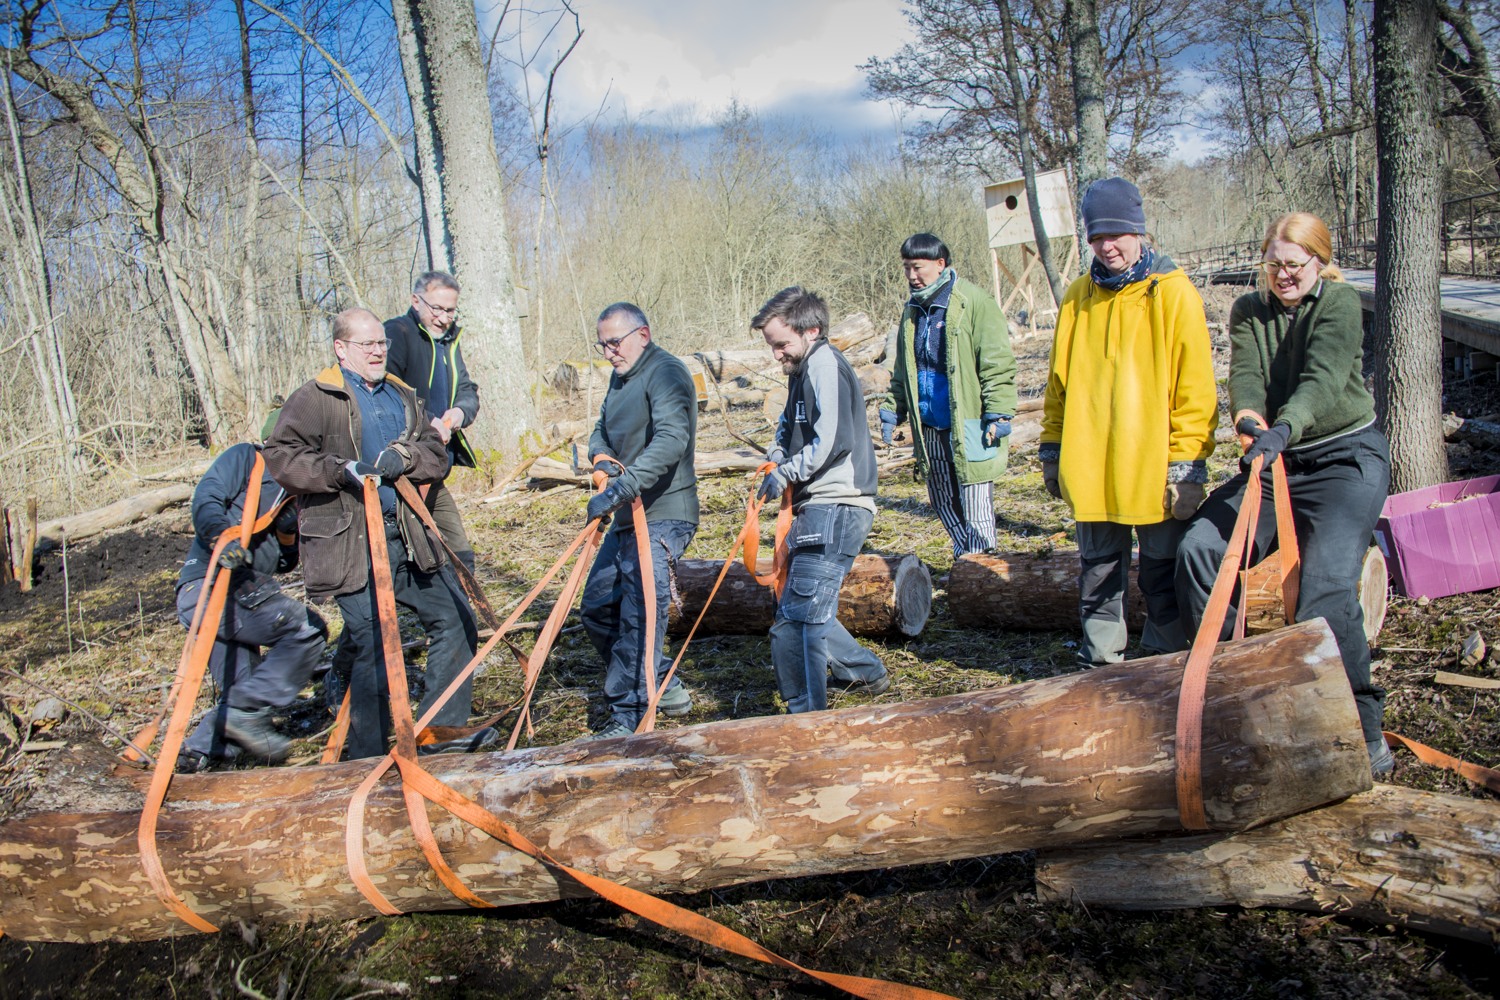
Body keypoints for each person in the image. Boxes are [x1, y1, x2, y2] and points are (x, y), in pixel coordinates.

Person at [1176, 211, 1393, 774]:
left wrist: (1283, 427)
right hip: (1277, 458)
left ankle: (1362, 730)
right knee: (1199, 548)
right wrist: (1250, 419)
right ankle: (1241, 699)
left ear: (1320, 263)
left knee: (1323, 588)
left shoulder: (1340, 304)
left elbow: (1322, 380)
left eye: (1295, 266)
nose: (1283, 276)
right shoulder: (1249, 310)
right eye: (1273, 264)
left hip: (1344, 460)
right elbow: (1245, 376)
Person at [265, 308, 487, 760]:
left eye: (381, 343)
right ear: (341, 349)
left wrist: (405, 457)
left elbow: (435, 454)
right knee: (374, 645)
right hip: (349, 543)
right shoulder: (317, 396)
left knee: (457, 619)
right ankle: (363, 759)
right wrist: (340, 470)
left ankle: (438, 735)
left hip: (405, 535)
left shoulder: (401, 395)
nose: (377, 351)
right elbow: (280, 456)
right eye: (366, 344)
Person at [1039, 176, 1219, 667]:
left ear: (1139, 231)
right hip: (1090, 465)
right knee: (1097, 571)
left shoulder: (1173, 293)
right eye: (1097, 237)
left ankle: (1165, 662)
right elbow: (1058, 386)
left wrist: (1186, 468)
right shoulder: (1078, 296)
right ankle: (1102, 664)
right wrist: (1053, 451)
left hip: (1153, 468)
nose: (1107, 246)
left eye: (1116, 234)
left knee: (1162, 571)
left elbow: (1195, 391)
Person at [754, 287, 891, 713]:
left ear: (811, 330)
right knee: (804, 605)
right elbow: (787, 430)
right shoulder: (802, 370)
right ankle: (864, 672)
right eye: (772, 346)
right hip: (819, 505)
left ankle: (806, 719)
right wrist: (777, 457)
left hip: (836, 504)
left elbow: (830, 439)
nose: (777, 355)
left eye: (782, 344)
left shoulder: (825, 364)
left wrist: (788, 473)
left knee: (797, 622)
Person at [579, 302, 698, 739]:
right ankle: (662, 679)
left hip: (666, 513)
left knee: (639, 613)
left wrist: (620, 489)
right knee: (596, 607)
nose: (609, 352)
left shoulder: (666, 373)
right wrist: (602, 459)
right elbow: (600, 430)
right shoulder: (620, 376)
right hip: (629, 512)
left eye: (615, 342)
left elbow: (671, 440)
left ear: (642, 335)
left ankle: (627, 719)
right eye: (602, 344)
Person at [174, 440, 326, 771]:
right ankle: (238, 715)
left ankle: (195, 758)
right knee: (308, 630)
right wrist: (222, 537)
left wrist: (287, 535)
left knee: (244, 689)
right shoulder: (247, 460)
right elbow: (206, 498)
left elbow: (284, 563)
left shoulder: (294, 491)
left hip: (241, 596)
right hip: (210, 585)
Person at [880, 233, 1017, 556]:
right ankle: (964, 557)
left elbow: (997, 364)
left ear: (940, 265)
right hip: (930, 427)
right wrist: (892, 409)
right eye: (906, 269)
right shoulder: (911, 311)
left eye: (918, 267)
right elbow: (904, 369)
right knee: (941, 498)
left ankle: (982, 568)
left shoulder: (974, 303)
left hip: (970, 423)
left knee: (976, 502)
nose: (912, 276)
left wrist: (998, 412)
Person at [384, 271, 480, 573]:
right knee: (400, 561)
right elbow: (387, 395)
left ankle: (460, 616)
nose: (444, 317)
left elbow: (467, 389)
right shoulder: (397, 334)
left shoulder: (448, 342)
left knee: (460, 555)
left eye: (450, 310)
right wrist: (429, 424)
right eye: (436, 308)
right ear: (416, 301)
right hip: (401, 471)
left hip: (433, 469)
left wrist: (457, 416)